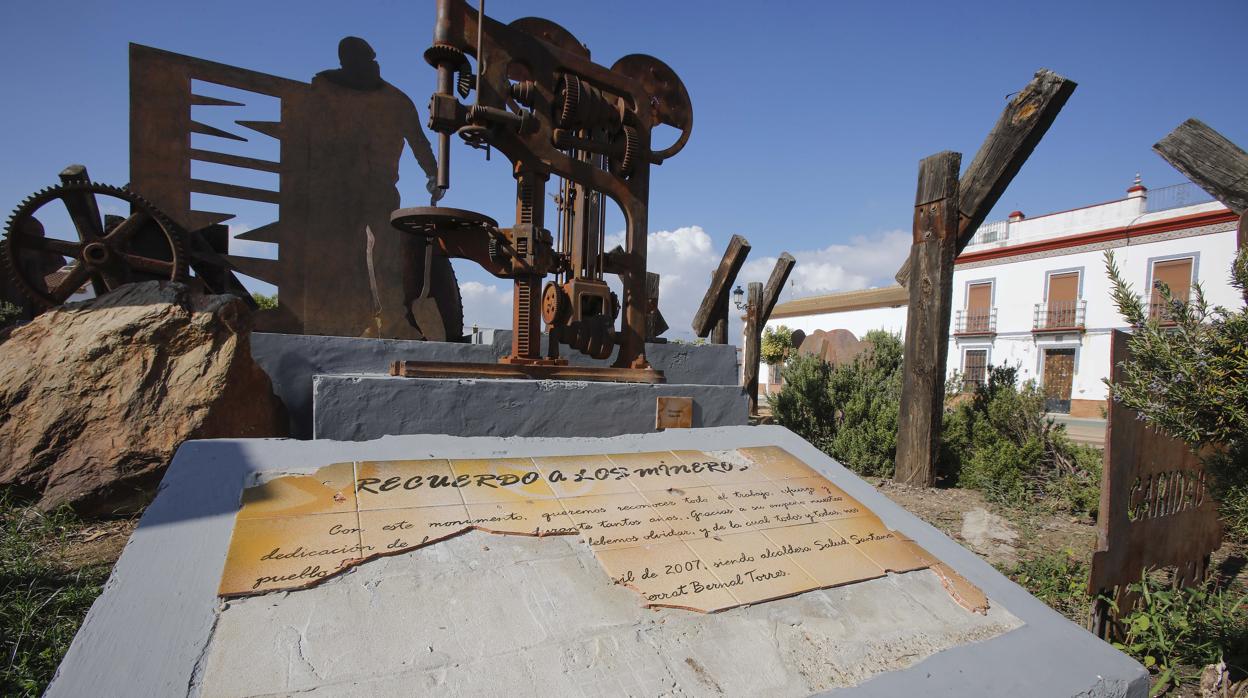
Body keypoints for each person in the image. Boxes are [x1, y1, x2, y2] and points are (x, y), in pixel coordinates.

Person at [305, 36, 455, 339]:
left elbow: (419, 142)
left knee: (386, 258)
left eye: (366, 60)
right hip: (340, 190)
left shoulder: (396, 101)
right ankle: (348, 318)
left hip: (380, 191)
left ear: (373, 61)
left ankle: (393, 319)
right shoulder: (325, 88)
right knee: (345, 254)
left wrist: (434, 175)